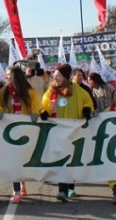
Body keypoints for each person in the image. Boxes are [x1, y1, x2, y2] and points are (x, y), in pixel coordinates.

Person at [40, 63, 94, 201]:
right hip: (57, 131)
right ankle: (63, 190)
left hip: (73, 132)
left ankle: (70, 186)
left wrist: (87, 109)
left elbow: (88, 101)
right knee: (61, 160)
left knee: (71, 159)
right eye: (54, 76)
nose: (55, 78)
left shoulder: (78, 90)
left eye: (58, 76)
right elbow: (44, 104)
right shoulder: (51, 91)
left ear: (65, 77)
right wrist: (44, 111)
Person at [0, 66, 38, 204]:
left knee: (23, 159)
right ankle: (16, 190)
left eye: (9, 74)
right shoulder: (3, 92)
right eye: (7, 74)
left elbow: (36, 106)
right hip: (9, 131)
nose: (7, 77)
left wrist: (35, 113)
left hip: (25, 130)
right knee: (13, 160)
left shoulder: (30, 92)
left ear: (16, 76)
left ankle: (22, 183)